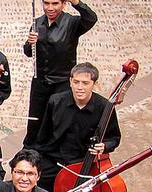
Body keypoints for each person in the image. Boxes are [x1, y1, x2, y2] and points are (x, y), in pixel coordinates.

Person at [30, 62, 120, 192]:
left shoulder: (105, 107)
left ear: (94, 84)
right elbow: (43, 137)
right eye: (76, 82)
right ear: (70, 81)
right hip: (53, 162)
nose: (80, 87)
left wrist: (104, 146)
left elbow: (114, 138)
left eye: (85, 83)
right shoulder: (55, 101)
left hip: (83, 165)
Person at [23, 0, 98, 146]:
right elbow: (29, 53)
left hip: (61, 82)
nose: (50, 8)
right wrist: (29, 43)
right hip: (40, 81)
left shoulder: (72, 23)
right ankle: (30, 150)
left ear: (63, 4)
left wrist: (76, 2)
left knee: (57, 120)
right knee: (35, 119)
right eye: (46, 3)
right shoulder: (37, 23)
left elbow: (91, 18)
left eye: (55, 3)